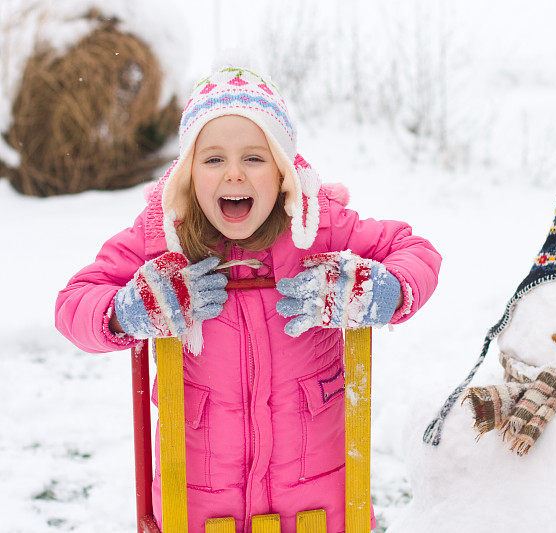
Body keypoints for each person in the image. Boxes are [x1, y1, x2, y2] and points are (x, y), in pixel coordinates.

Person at [54, 65, 441, 533]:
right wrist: (127, 311)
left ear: (281, 170)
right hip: (197, 505)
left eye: (254, 159)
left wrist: (383, 289)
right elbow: (74, 303)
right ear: (188, 173)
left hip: (317, 500)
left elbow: (416, 252)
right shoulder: (163, 236)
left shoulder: (317, 229)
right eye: (213, 159)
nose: (234, 172)